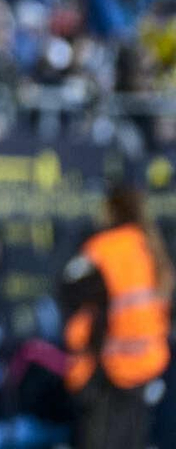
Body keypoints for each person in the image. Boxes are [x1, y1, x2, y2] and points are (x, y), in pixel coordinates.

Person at [61, 183, 174, 449]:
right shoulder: (152, 248)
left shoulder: (105, 249)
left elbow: (70, 291)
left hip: (109, 371)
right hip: (147, 368)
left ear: (112, 210)